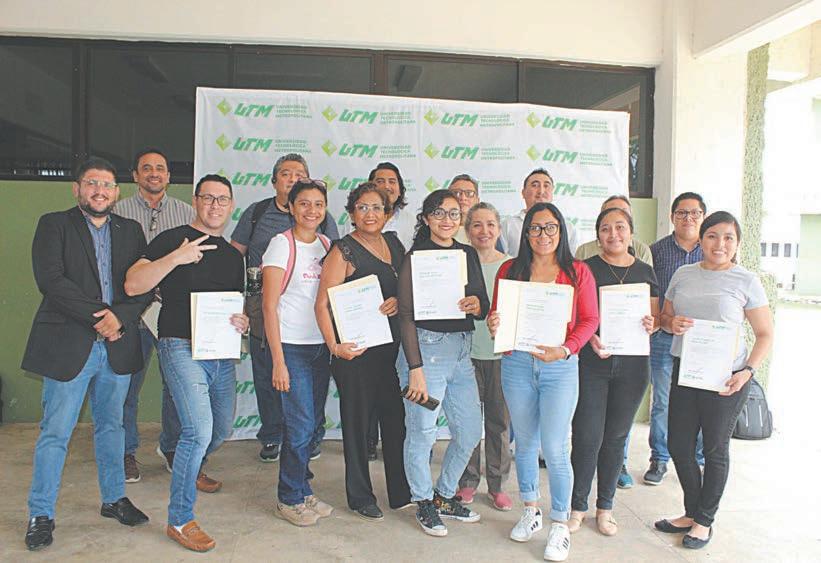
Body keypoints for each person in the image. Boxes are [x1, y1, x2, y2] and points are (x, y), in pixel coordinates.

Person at [22, 157, 151, 551]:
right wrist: (103, 318)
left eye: (107, 184)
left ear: (117, 192)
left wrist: (120, 318)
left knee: (112, 428)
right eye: (92, 183)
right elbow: (51, 282)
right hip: (69, 346)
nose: (100, 190)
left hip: (116, 346)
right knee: (55, 433)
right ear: (76, 189)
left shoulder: (131, 231)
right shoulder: (54, 225)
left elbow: (143, 285)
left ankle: (114, 499)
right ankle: (41, 514)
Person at [125, 174, 248, 552]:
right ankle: (180, 519)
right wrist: (176, 258)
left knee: (220, 428)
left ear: (231, 206)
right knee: (198, 430)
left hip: (220, 354)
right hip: (179, 346)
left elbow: (234, 305)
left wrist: (242, 321)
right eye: (208, 198)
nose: (215, 205)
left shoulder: (233, 255)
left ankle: (185, 463)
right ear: (195, 201)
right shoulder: (173, 239)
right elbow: (133, 284)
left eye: (222, 199)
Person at [654, 211, 773, 549]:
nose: (720, 244)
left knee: (715, 448)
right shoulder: (683, 274)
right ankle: (692, 511)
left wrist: (747, 371)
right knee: (679, 445)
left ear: (737, 244)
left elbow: (765, 334)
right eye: (712, 236)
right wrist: (671, 323)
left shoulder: (745, 281)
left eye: (728, 237)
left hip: (727, 379)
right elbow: (665, 317)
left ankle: (704, 520)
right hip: (687, 371)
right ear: (701, 239)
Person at [487, 202, 598, 562]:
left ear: (561, 231)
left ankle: (560, 524)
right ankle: (531, 510)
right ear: (525, 233)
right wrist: (494, 323)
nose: (543, 235)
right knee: (524, 442)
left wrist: (565, 349)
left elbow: (590, 320)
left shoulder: (577, 271)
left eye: (550, 227)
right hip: (516, 364)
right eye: (535, 228)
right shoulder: (509, 269)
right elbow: (496, 315)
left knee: (554, 447)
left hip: (559, 367)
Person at [231, 154, 339, 464]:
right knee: (268, 377)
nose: (292, 178)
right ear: (275, 181)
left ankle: (308, 440)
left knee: (309, 399)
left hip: (313, 323)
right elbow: (234, 256)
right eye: (286, 173)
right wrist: (232, 301)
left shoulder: (324, 232)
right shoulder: (258, 214)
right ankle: (273, 435)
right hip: (263, 306)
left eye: (299, 173)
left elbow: (336, 267)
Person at [315, 182, 412, 521]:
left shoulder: (395, 244)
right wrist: (334, 346)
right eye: (362, 207)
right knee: (357, 427)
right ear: (352, 213)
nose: (370, 214)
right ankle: (360, 496)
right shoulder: (343, 251)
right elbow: (322, 304)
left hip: (389, 353)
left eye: (377, 208)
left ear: (388, 213)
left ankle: (400, 492)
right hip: (354, 355)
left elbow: (405, 290)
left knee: (395, 423)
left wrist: (398, 300)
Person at [397, 189, 488, 537]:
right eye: (438, 213)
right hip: (425, 352)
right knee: (422, 432)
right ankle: (422, 501)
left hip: (462, 352)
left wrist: (476, 305)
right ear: (426, 219)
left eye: (453, 213)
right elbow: (406, 315)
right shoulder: (415, 257)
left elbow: (483, 302)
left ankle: (443, 495)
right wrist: (415, 368)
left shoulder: (467, 253)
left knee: (469, 431)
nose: (446, 220)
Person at [569, 207, 658, 537]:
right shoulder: (585, 269)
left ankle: (605, 508)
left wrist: (652, 324)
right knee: (586, 437)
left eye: (620, 227)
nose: (613, 234)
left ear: (631, 232)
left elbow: (655, 319)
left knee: (616, 439)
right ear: (597, 235)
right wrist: (589, 336)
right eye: (605, 228)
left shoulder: (646, 272)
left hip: (633, 367)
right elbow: (574, 315)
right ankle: (578, 506)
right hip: (592, 364)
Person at [114, 147, 194, 483]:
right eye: (146, 168)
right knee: (127, 386)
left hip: (170, 311)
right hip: (131, 310)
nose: (154, 173)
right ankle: (126, 451)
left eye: (160, 168)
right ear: (135, 175)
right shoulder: (118, 211)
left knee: (176, 384)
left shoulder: (186, 213)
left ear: (168, 176)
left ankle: (171, 446)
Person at [261, 179, 334, 527]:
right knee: (300, 425)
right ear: (290, 207)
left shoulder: (326, 244)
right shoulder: (281, 244)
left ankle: (303, 489)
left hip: (320, 346)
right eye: (303, 203)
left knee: (313, 424)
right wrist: (278, 361)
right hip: (291, 347)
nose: (311, 210)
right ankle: (288, 498)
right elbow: (268, 306)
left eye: (318, 204)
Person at [453, 202, 513, 511]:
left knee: (498, 423)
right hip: (465, 355)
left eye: (490, 224)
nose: (484, 231)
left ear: (499, 229)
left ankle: (498, 484)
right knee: (467, 423)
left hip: (502, 357)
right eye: (476, 224)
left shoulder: (513, 267)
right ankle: (467, 481)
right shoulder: (457, 264)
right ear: (467, 231)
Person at [645, 192, 707, 485]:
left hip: (701, 341)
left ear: (703, 217)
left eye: (695, 213)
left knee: (701, 400)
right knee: (662, 401)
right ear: (672, 217)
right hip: (663, 337)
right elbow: (650, 294)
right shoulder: (656, 251)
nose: (688, 218)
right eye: (682, 213)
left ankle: (699, 459)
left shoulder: (713, 251)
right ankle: (659, 458)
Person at [499, 169, 579, 257]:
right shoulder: (508, 225)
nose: (541, 191)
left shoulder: (568, 227)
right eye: (535, 185)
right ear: (523, 193)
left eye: (546, 186)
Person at [575, 195, 653, 265]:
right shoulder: (584, 251)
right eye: (611, 211)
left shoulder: (642, 250)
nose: (617, 215)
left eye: (624, 212)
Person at [369, 162, 415, 249]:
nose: (386, 186)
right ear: (370, 188)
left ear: (400, 191)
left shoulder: (411, 222)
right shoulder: (357, 219)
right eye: (380, 181)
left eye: (392, 182)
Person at [448, 173, 480, 244]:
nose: (463, 198)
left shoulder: (487, 231)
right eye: (456, 193)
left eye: (469, 193)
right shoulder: (437, 230)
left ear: (477, 201)